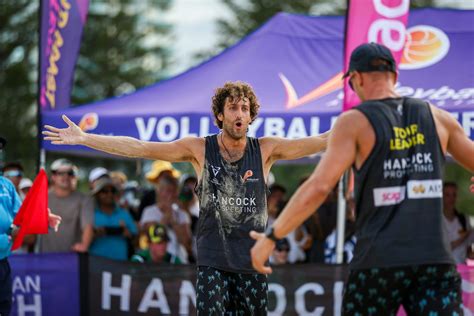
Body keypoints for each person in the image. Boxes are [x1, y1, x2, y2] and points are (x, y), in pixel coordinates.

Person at [43, 81, 329, 315]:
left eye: (244, 108)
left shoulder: (266, 149)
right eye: (232, 107)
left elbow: (321, 141)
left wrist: (359, 120)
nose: (239, 113)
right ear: (220, 114)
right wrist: (86, 138)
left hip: (251, 261)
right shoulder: (200, 148)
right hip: (213, 260)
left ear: (251, 115)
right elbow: (140, 147)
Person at [250, 43, 474, 315]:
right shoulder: (439, 118)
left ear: (356, 78)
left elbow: (319, 187)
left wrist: (271, 237)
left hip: (379, 262)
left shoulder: (354, 121)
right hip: (434, 262)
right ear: (395, 75)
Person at [0, 136, 61, 315]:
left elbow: (22, 214)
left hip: (2, 263)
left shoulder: (5, 185)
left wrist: (44, 217)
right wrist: (10, 233)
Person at [37, 159, 94, 253]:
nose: (66, 176)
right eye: (61, 173)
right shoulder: (41, 198)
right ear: (53, 176)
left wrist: (84, 245)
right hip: (44, 258)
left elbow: (87, 226)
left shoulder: (84, 199)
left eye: (70, 173)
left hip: (72, 259)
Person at [89, 177, 138, 260]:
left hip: (120, 265)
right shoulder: (89, 214)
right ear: (97, 194)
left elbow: (136, 241)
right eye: (105, 191)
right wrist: (93, 235)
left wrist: (128, 234)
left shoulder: (124, 214)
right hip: (95, 265)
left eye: (112, 191)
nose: (109, 194)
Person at [442, 182, 474, 264]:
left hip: (462, 268)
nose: (451, 199)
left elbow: (468, 252)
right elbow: (442, 249)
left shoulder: (463, 219)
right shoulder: (438, 220)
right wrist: (463, 237)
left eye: (454, 195)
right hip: (444, 268)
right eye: (447, 195)